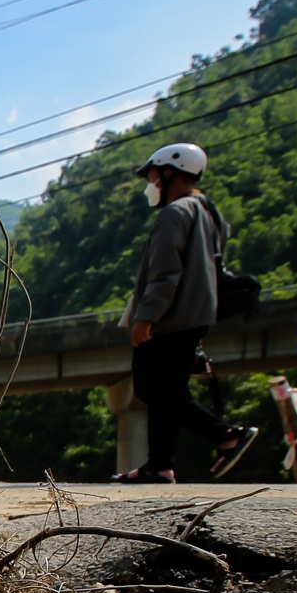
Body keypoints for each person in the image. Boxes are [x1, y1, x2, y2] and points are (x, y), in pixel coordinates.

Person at [113, 141, 259, 482]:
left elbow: (166, 273)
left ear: (168, 173)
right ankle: (159, 465)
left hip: (171, 317)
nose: (151, 185)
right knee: (169, 390)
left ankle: (226, 435)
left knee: (153, 388)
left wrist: (146, 317)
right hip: (195, 315)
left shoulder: (176, 214)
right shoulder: (208, 214)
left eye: (153, 177)